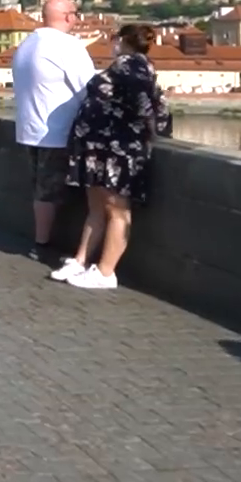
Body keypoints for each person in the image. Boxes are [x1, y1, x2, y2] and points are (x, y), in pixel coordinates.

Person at [57, 23, 172, 290]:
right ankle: (80, 260)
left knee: (116, 209)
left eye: (115, 39)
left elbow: (146, 102)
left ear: (123, 41)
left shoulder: (131, 64)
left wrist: (151, 129)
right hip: (103, 147)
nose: (113, 44)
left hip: (118, 149)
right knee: (97, 206)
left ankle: (106, 272)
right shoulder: (130, 64)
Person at [11, 0, 97, 265]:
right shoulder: (67, 45)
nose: (77, 19)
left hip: (29, 128)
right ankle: (42, 244)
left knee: (40, 187)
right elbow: (91, 89)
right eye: (76, 13)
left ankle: (43, 240)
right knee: (48, 191)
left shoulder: (26, 44)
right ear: (68, 17)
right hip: (56, 131)